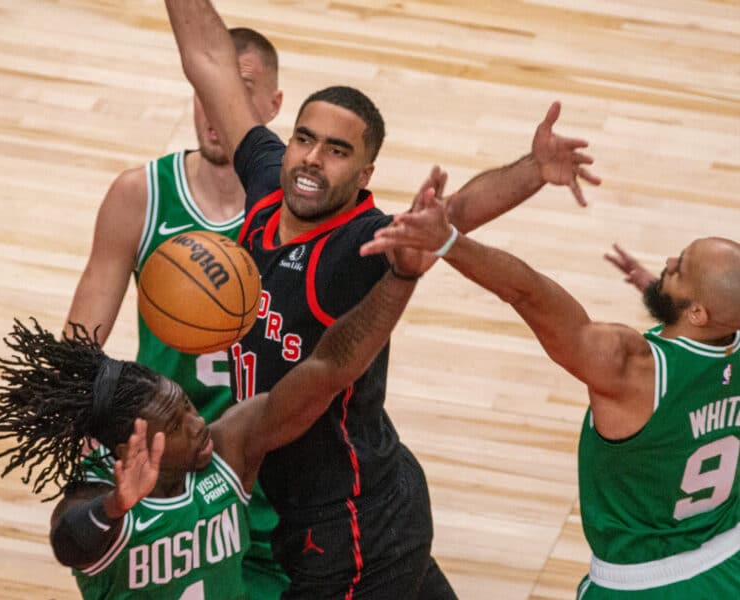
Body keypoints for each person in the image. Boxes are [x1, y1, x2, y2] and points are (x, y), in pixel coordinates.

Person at [163, 1, 600, 597]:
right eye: (305, 139)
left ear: (365, 174)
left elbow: (451, 218)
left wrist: (530, 170)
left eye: (337, 150)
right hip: (371, 495)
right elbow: (210, 58)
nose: (313, 159)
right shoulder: (267, 182)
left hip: (349, 522)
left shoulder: (358, 246)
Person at [0, 223, 439, 599]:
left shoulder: (227, 449)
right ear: (130, 448)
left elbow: (326, 370)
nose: (199, 423)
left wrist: (401, 278)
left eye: (187, 407)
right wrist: (116, 504)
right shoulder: (100, 500)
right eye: (177, 425)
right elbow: (69, 540)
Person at [363, 196, 740, 598]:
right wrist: (665, 292)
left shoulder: (632, 369)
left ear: (698, 313)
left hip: (646, 583)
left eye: (678, 269)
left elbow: (527, 292)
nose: (667, 261)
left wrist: (448, 241)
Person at [64, 27, 288, 597]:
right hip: (168, 463)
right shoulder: (141, 195)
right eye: (205, 88)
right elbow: (77, 350)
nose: (217, 107)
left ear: (273, 105)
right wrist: (84, 422)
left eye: (237, 90)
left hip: (268, 462)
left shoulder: (298, 209)